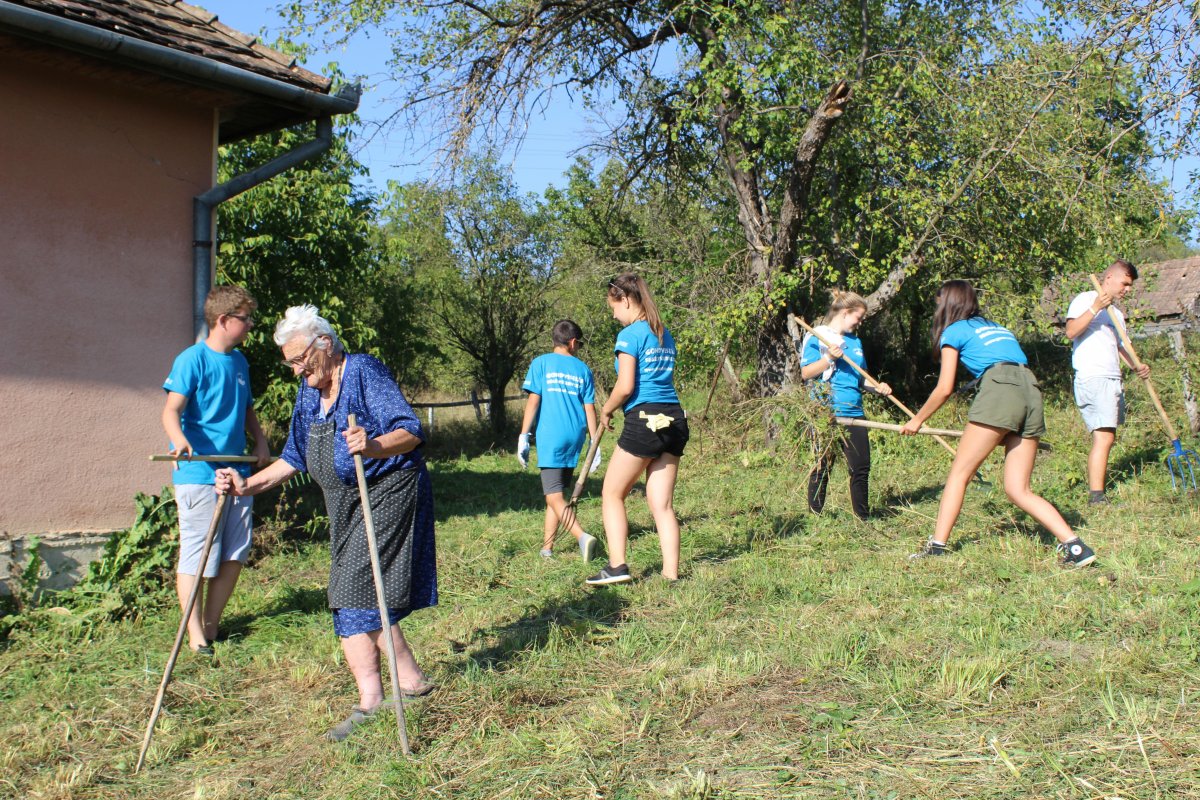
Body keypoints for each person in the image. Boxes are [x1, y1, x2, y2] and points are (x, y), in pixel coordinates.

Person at [214, 305, 437, 742]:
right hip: (345, 503)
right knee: (350, 593)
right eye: (290, 363)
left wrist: (372, 444)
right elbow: (293, 457)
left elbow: (410, 430)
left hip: (388, 488)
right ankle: (404, 685)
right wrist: (245, 486)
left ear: (326, 345)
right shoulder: (310, 393)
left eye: (301, 359)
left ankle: (380, 697)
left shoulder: (363, 372)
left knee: (353, 586)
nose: (297, 370)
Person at [901, 280, 1096, 568]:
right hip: (1030, 389)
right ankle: (1077, 547)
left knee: (959, 475)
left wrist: (917, 420)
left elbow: (945, 388)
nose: (936, 307)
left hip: (1000, 389)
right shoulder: (998, 328)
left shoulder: (954, 331)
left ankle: (937, 547)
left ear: (949, 302)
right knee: (1019, 489)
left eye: (938, 301)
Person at [161, 285, 270, 655]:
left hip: (237, 471)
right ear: (223, 320)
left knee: (235, 551)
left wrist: (260, 441)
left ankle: (211, 624)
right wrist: (178, 441)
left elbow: (248, 409)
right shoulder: (191, 359)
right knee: (198, 553)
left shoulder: (240, 363)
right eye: (245, 318)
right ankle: (194, 635)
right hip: (199, 474)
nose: (251, 324)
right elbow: (171, 410)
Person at [586, 274, 689, 585]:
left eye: (613, 307)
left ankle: (617, 566)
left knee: (612, 493)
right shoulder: (663, 333)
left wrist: (606, 409)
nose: (613, 314)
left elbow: (626, 385)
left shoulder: (630, 335)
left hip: (645, 419)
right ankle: (671, 576)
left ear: (626, 300)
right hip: (674, 420)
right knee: (662, 504)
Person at [799, 291, 893, 520]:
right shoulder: (818, 336)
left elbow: (861, 378)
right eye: (858, 317)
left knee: (861, 467)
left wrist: (877, 386)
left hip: (855, 412)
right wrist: (829, 357)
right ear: (844, 312)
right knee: (822, 467)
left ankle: (862, 518)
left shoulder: (855, 342)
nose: (860, 323)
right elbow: (806, 373)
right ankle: (815, 517)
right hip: (826, 412)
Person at [1064, 259, 1150, 504]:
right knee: (1104, 436)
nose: (1127, 289)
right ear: (1109, 278)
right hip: (1093, 376)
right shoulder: (1086, 299)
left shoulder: (1118, 314)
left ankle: (1097, 492)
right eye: (1125, 283)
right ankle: (1096, 496)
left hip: (1113, 378)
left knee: (1108, 434)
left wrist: (1137, 366)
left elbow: (1122, 346)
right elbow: (1071, 332)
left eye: (1130, 286)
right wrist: (1095, 307)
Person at [517, 319, 602, 561]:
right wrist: (594, 444)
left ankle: (582, 537)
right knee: (556, 495)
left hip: (551, 436)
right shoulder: (583, 369)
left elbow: (533, 401)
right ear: (573, 342)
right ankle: (547, 548)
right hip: (575, 437)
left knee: (553, 495)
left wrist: (524, 435)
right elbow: (590, 409)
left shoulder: (540, 363)